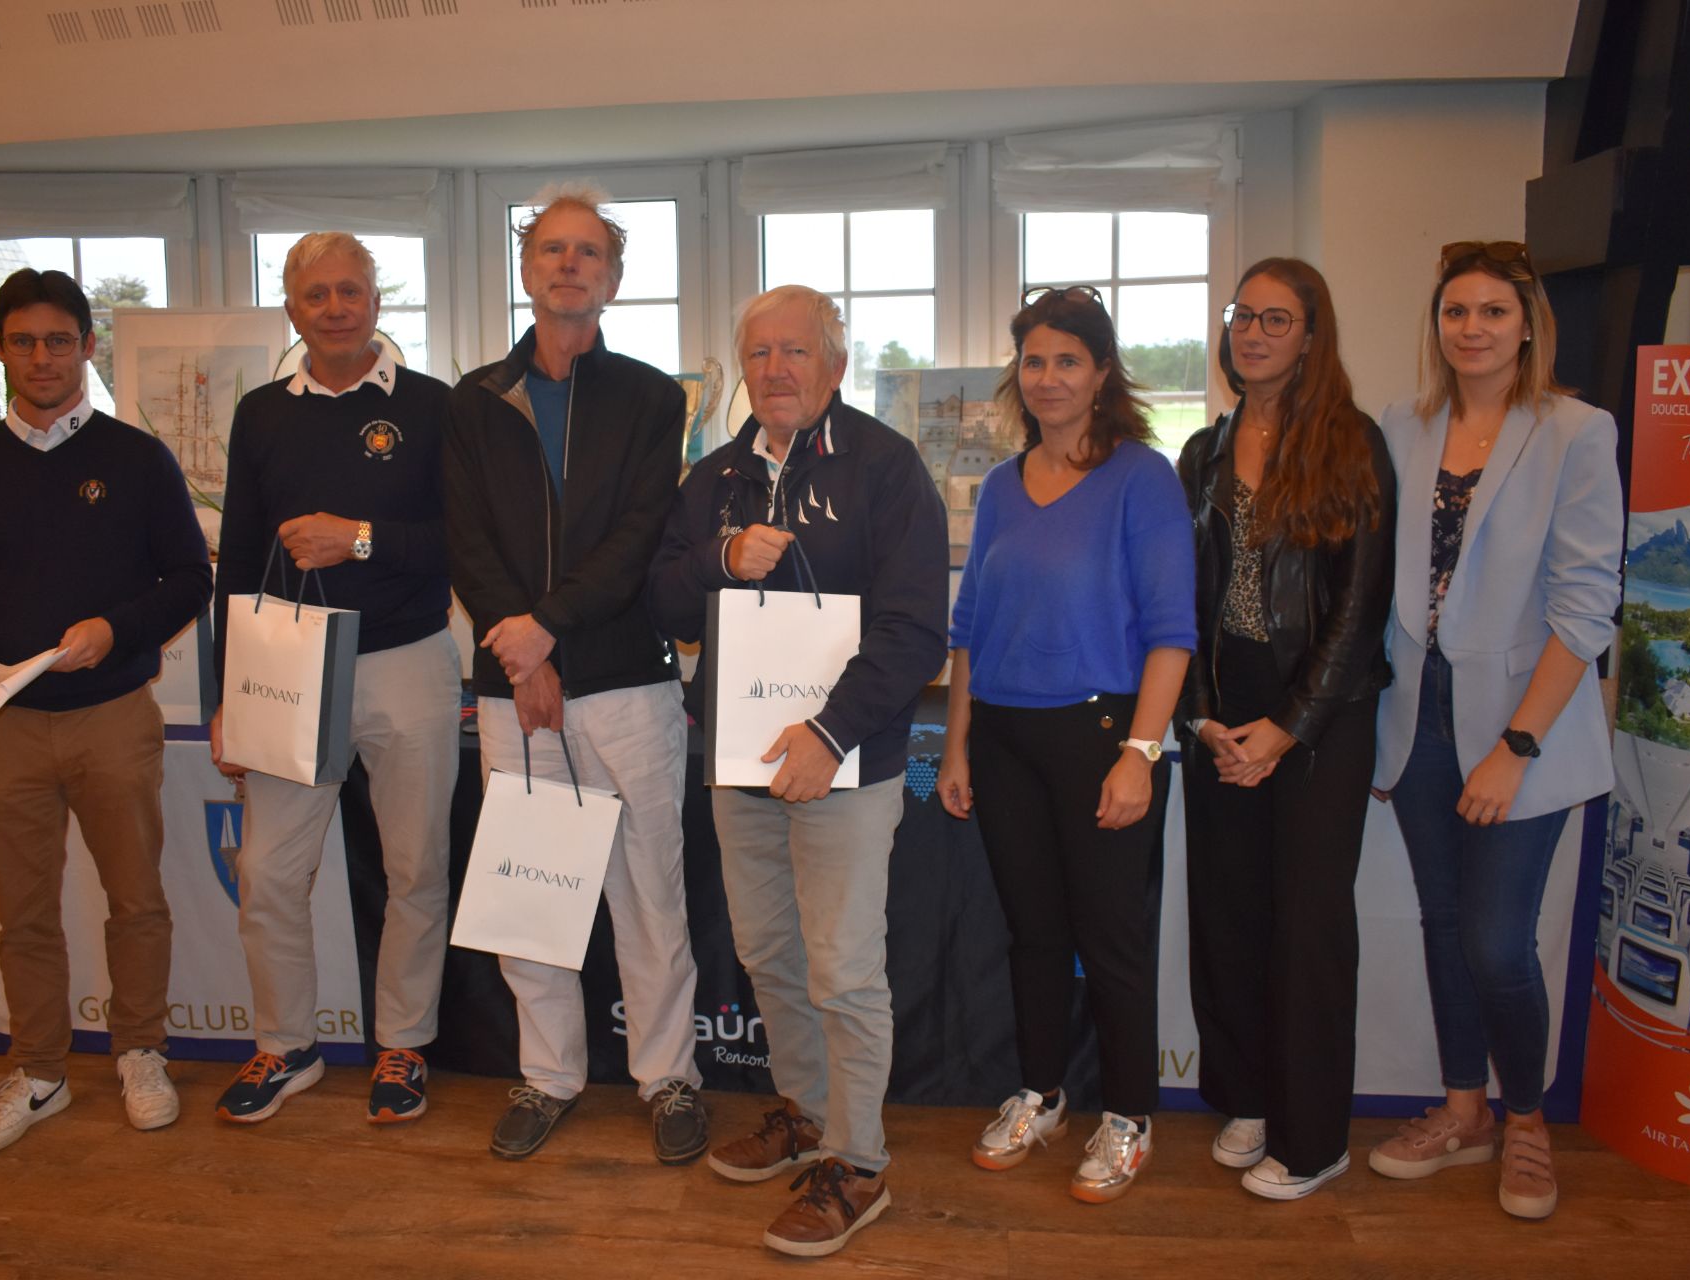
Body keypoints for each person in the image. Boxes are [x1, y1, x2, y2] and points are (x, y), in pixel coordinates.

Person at [651, 284, 948, 1257]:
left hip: (843, 762)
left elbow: (916, 630)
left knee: (844, 967)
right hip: (740, 761)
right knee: (770, 952)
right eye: (759, 352)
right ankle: (808, 1112)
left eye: (796, 350)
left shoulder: (886, 467)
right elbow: (664, 601)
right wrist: (722, 557)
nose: (775, 369)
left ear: (835, 363)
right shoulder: (713, 479)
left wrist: (830, 732)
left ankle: (858, 1163)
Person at [443, 183, 706, 1165]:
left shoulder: (652, 398)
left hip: (626, 682)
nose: (568, 265)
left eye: (588, 252)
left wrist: (544, 630)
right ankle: (549, 1074)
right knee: (532, 894)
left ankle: (668, 1078)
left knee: (649, 894)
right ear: (526, 269)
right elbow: (467, 540)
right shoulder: (474, 400)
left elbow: (640, 537)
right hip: (514, 688)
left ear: (614, 278)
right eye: (552, 249)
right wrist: (522, 657)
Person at [0, 267, 212, 1155]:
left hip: (111, 715)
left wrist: (115, 629)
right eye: (22, 341)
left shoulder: (136, 458)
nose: (41, 357)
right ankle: (39, 1070)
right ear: (0, 350)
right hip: (2, 722)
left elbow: (189, 579)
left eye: (58, 340)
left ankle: (140, 1050)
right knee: (23, 912)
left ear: (88, 347)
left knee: (136, 901)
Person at [1368, 240, 1623, 1220]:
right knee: (1442, 923)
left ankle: (1526, 1118)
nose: (1470, 328)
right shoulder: (1403, 425)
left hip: (1522, 724)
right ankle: (1463, 1108)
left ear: (1527, 326)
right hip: (1415, 716)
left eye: (1491, 312)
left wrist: (1516, 748)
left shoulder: (1575, 432)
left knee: (1497, 941)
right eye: (1455, 311)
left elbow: (1585, 608)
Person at [935, 286, 1194, 1204]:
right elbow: (968, 628)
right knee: (1034, 934)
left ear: (1102, 372)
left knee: (1112, 940)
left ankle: (1128, 1116)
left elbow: (1172, 631)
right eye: (1034, 361)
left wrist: (1141, 753)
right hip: (1003, 738)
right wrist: (958, 748)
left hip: (1100, 735)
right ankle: (1041, 1094)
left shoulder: (1141, 478)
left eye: (1068, 361)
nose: (1048, 378)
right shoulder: (1004, 486)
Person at [210, 232, 461, 1126]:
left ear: (377, 301)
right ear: (292, 308)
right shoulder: (261, 414)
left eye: (350, 291)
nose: (335, 309)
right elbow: (239, 560)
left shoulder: (433, 407)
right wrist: (225, 697)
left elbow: (463, 544)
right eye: (315, 295)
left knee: (415, 867)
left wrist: (357, 538)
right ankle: (287, 1045)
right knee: (269, 871)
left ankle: (403, 1043)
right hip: (292, 669)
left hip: (408, 660)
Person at [1177, 259, 1395, 1200]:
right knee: (1229, 917)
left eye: (1277, 319)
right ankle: (1250, 1098)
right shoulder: (1203, 452)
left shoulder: (1352, 444)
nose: (1254, 333)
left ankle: (1313, 1140)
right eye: (1243, 316)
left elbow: (1360, 611)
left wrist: (1289, 727)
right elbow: (1182, 606)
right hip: (1223, 709)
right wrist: (1202, 717)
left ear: (1311, 336)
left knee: (1306, 927)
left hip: (1322, 716)